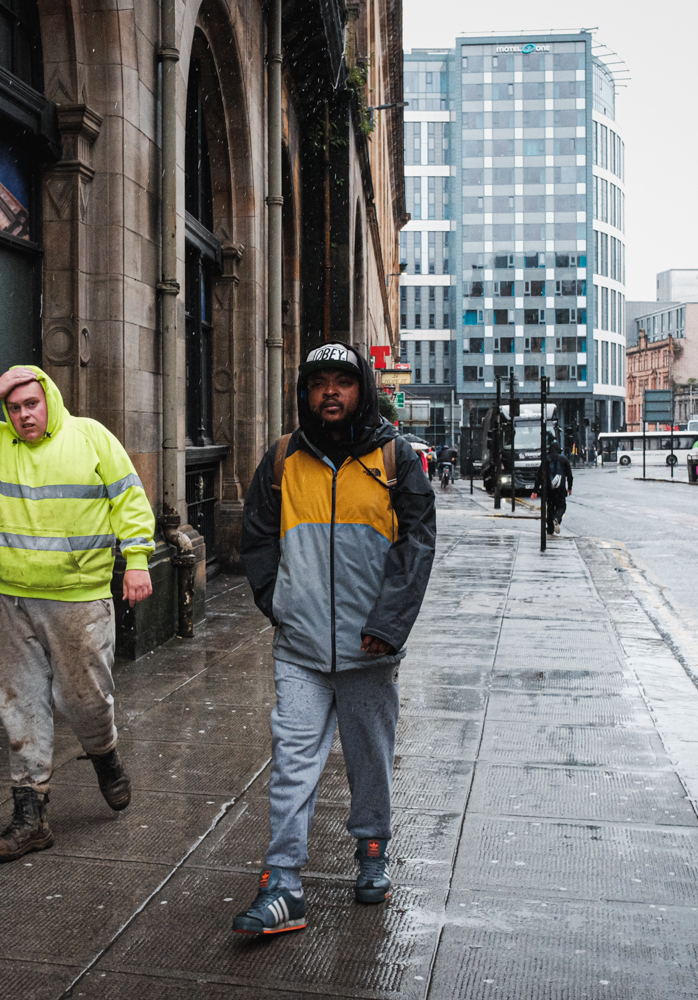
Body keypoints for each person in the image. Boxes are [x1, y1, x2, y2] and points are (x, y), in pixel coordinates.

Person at [236, 342, 436, 935]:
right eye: (319, 382)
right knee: (293, 761)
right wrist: (281, 606)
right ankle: (283, 884)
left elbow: (415, 549)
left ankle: (372, 848)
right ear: (305, 392)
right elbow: (257, 540)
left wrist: (387, 625)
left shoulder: (395, 459)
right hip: (300, 649)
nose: (330, 392)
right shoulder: (281, 460)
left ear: (361, 390)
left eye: (342, 383)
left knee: (369, 755)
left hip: (369, 648)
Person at [0, 366, 157, 863]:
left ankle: (105, 754)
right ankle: (30, 818)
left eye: (30, 403)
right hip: (9, 599)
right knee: (20, 704)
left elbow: (129, 499)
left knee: (86, 701)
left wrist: (136, 560)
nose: (23, 414)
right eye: (14, 406)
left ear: (49, 399)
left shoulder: (91, 436)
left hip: (78, 598)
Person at [532, 443, 574, 534]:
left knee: (550, 507)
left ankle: (550, 529)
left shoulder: (546, 459)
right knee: (562, 505)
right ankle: (557, 518)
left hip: (548, 488)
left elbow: (539, 476)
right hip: (561, 487)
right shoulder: (564, 459)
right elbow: (569, 475)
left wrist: (535, 490)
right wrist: (569, 487)